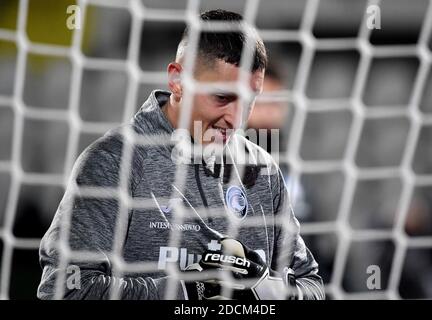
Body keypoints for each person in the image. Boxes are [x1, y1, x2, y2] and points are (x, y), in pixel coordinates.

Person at [37, 9, 324, 300]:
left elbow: (311, 282)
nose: (236, 120)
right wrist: (190, 291)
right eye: (222, 97)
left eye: (250, 101)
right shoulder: (113, 162)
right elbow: (66, 289)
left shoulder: (264, 171)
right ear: (177, 81)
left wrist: (284, 295)